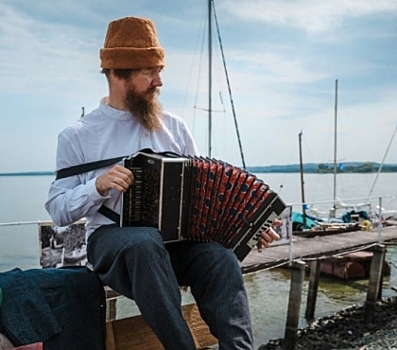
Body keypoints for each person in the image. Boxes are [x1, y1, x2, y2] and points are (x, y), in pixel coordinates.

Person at [45, 16, 280, 350]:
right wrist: (97, 186)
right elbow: (57, 209)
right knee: (143, 242)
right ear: (117, 74)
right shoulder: (78, 135)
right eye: (149, 72)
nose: (159, 81)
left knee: (221, 259)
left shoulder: (175, 127)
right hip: (115, 249)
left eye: (160, 70)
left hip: (173, 247)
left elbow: (206, 197)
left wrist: (249, 227)